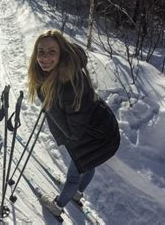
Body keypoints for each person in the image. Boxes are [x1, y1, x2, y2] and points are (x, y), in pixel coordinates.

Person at [26, 30, 120, 216]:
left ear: (61, 53)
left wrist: (50, 107)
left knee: (76, 171)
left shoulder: (69, 85)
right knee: (88, 164)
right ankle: (76, 194)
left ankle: (58, 206)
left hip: (98, 136)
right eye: (41, 51)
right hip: (100, 127)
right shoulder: (58, 72)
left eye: (52, 51)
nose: (44, 58)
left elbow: (74, 134)